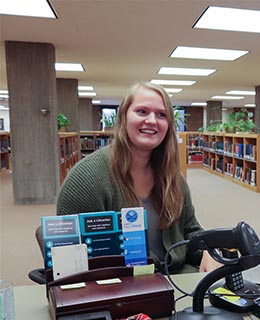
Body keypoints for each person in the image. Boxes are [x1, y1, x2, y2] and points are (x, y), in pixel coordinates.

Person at [56, 82, 221, 273]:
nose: (152, 120)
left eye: (161, 115)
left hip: (175, 280)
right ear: (124, 117)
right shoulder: (87, 178)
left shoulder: (172, 178)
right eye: (142, 111)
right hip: (118, 288)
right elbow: (70, 254)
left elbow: (190, 231)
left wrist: (208, 249)